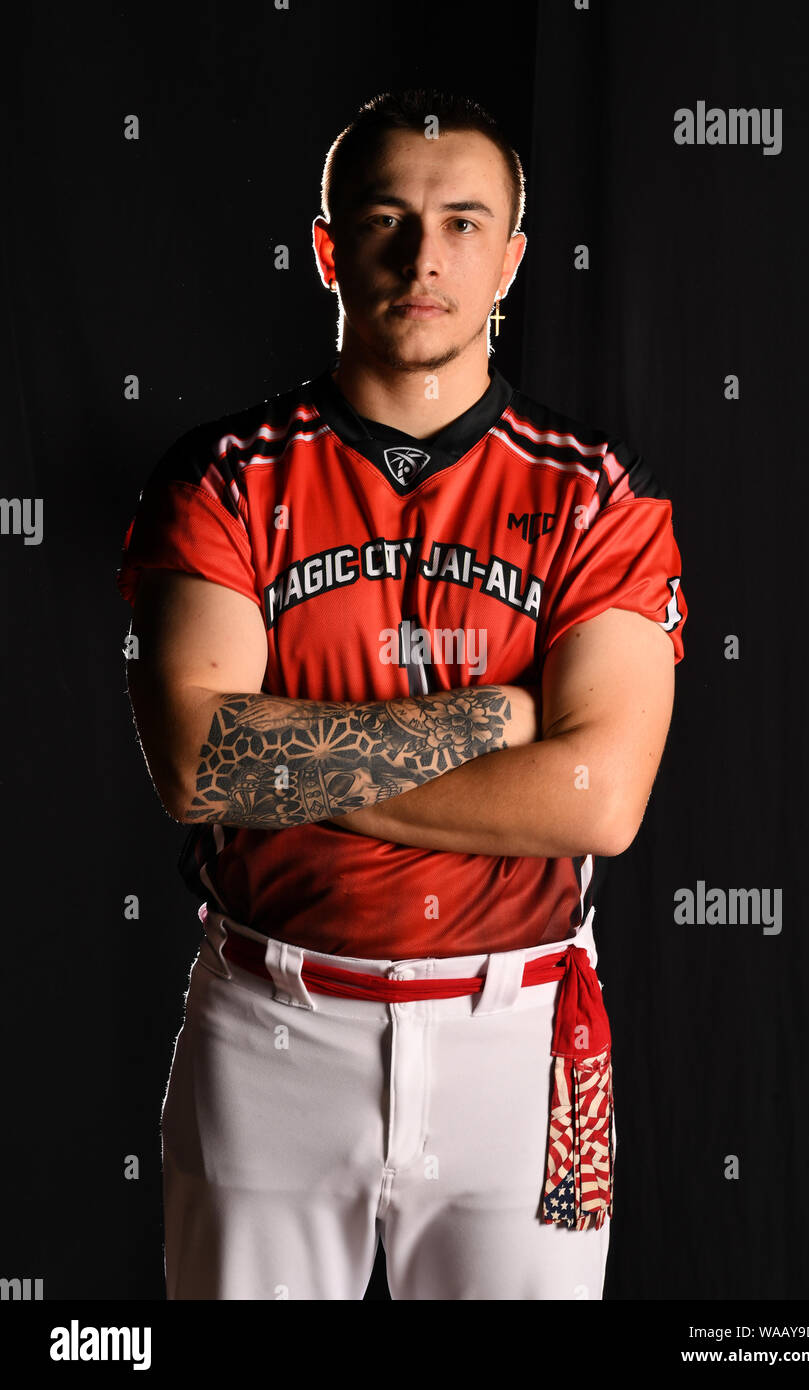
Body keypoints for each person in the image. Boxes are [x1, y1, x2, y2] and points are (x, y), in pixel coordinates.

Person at [116, 88, 687, 1301]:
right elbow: (200, 767)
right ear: (328, 246)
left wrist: (304, 773)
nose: (424, 256)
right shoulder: (222, 479)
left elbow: (597, 801)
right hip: (271, 1021)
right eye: (385, 218)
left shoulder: (594, 492)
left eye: (464, 222)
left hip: (516, 1034)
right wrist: (497, 718)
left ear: (512, 258)